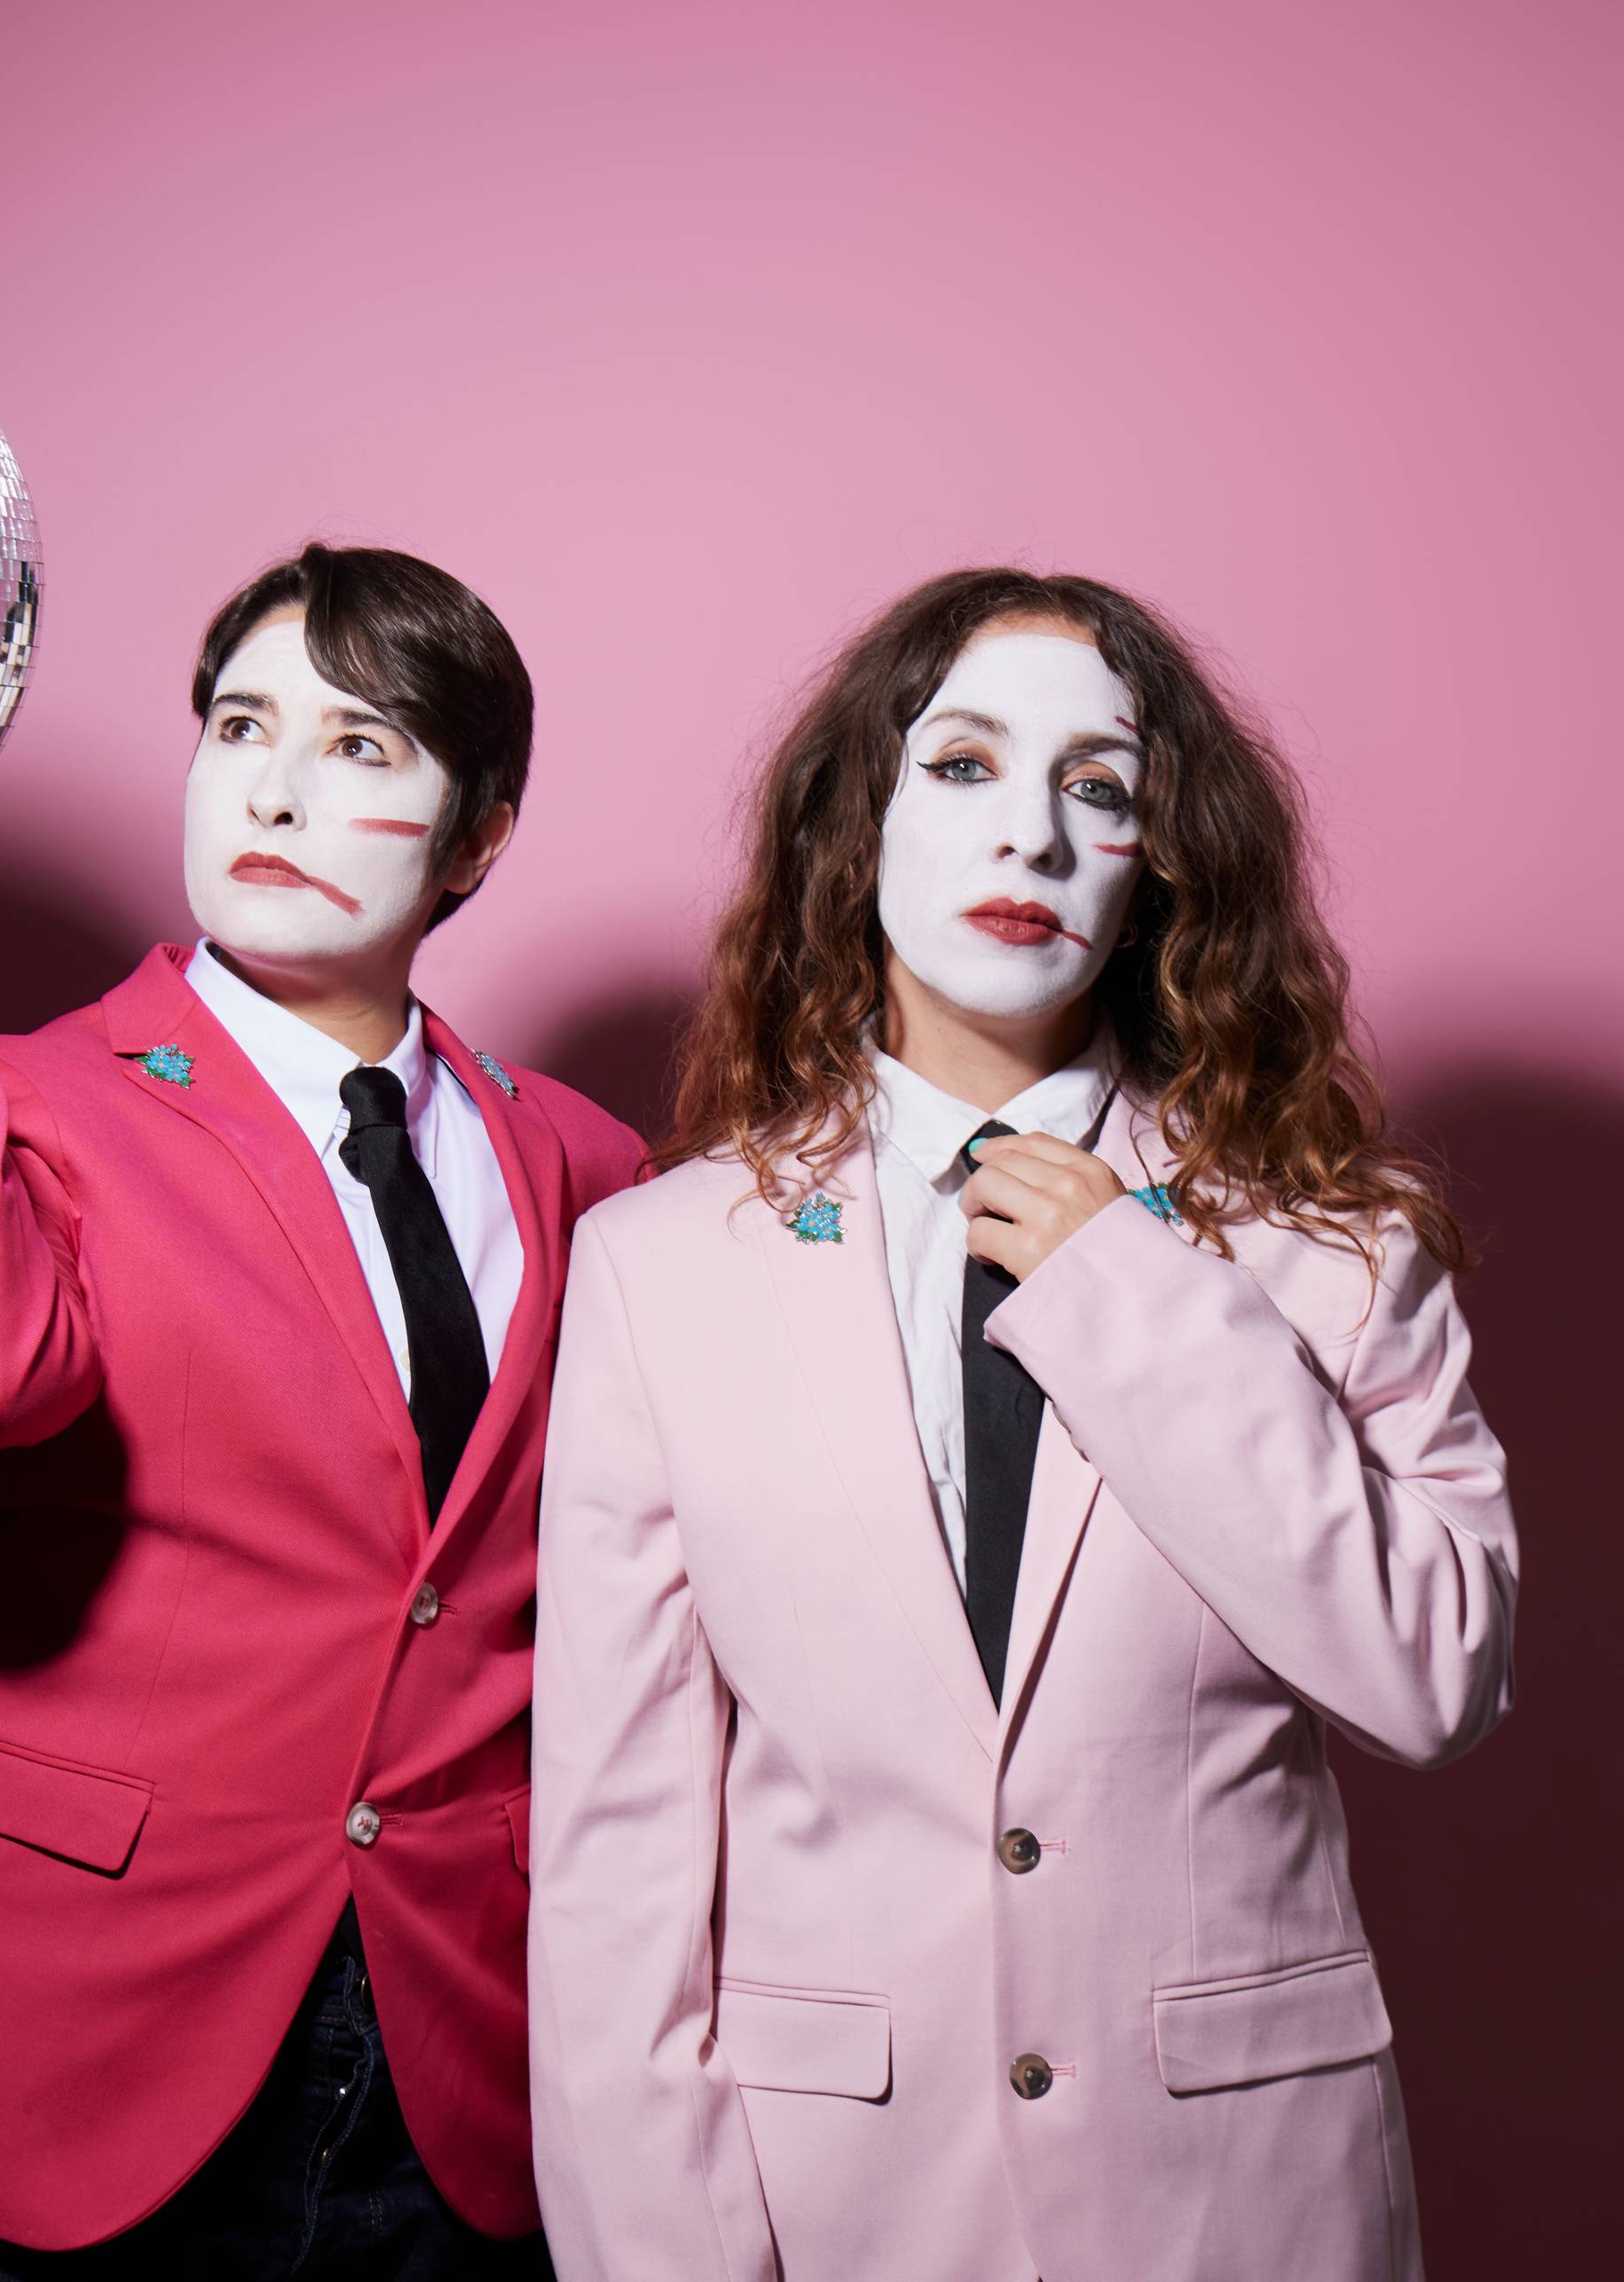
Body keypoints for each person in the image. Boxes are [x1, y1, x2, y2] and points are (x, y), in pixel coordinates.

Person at [0, 543, 644, 2277]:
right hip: (35, 2046)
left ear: (477, 836)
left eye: (363, 746)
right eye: (240, 724)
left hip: (452, 2079)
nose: (279, 788)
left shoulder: (583, 1160)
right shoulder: (15, 1103)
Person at [526, 568, 1517, 2282]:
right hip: (832, 2207)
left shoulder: (1336, 1254)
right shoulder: (656, 1271)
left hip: (1243, 2206)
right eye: (967, 765)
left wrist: (1138, 1296)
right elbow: (617, 1878)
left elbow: (1434, 1676)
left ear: (1157, 873)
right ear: (863, 822)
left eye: (1102, 791)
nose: (1035, 840)